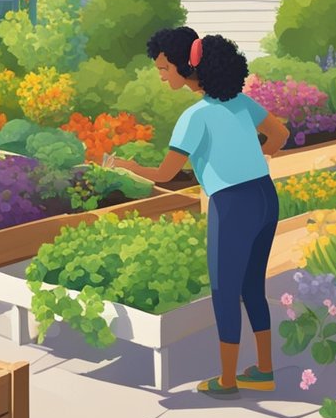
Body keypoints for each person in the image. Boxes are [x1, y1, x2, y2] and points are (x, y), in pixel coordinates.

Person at [109, 27, 290, 397]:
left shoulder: (195, 116)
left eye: (164, 69)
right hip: (264, 196)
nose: (161, 76)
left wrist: (123, 164)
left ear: (187, 68)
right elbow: (280, 135)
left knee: (225, 292)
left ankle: (226, 381)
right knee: (253, 288)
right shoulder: (241, 102)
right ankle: (265, 371)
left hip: (232, 204)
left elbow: (164, 174)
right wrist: (252, 155)